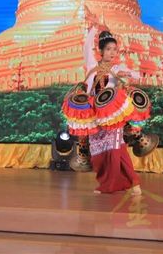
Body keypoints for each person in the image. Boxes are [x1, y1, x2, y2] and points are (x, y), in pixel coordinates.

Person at [63, 25, 147, 195]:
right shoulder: (92, 66)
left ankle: (110, 185)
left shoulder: (116, 69)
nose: (112, 52)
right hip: (94, 115)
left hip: (111, 117)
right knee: (105, 151)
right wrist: (94, 29)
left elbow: (136, 74)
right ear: (100, 51)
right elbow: (87, 47)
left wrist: (128, 75)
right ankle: (134, 183)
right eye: (108, 49)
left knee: (114, 150)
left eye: (114, 49)